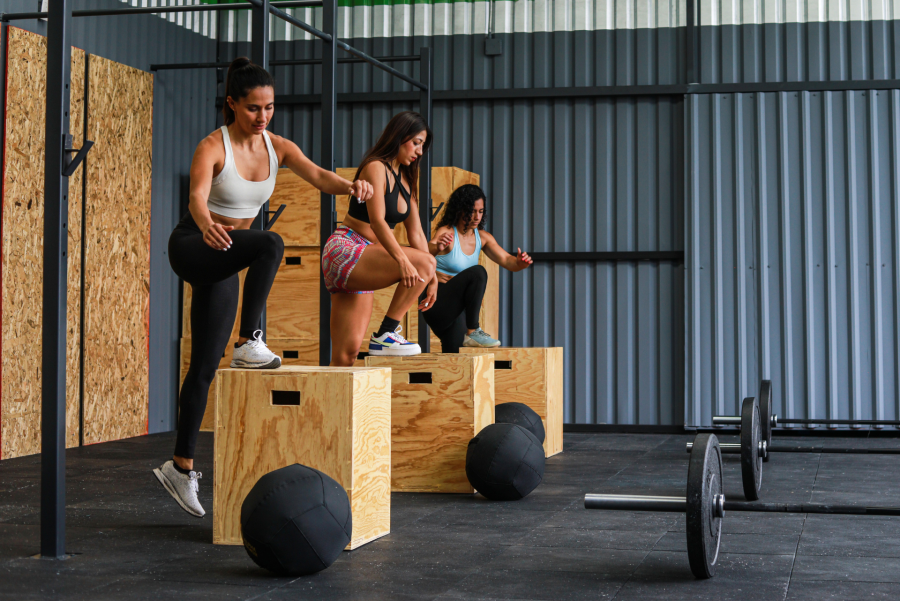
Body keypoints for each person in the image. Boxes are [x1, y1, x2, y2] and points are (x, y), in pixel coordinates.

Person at [153, 58, 374, 517]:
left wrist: (352, 186)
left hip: (226, 258)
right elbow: (197, 196)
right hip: (195, 242)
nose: (263, 117)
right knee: (271, 242)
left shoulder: (278, 147)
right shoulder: (213, 146)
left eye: (269, 107)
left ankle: (179, 465)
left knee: (202, 369)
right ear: (232, 104)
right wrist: (204, 224)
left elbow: (319, 177)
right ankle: (249, 340)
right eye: (253, 108)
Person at [323, 111, 438, 365]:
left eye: (423, 146)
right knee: (424, 262)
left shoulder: (407, 181)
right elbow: (377, 221)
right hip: (346, 249)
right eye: (416, 142)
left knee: (346, 355)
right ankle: (387, 331)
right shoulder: (375, 167)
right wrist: (406, 262)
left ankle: (332, 404)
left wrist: (433, 278)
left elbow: (417, 233)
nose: (419, 151)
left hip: (365, 258)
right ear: (400, 136)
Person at [425, 184, 532, 352]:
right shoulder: (447, 232)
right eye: (471, 211)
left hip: (456, 310)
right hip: (436, 303)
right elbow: (423, 253)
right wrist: (436, 246)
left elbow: (507, 260)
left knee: (456, 355)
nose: (476, 217)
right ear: (460, 209)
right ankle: (473, 330)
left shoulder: (483, 237)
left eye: (480, 211)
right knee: (478, 272)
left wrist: (520, 263)